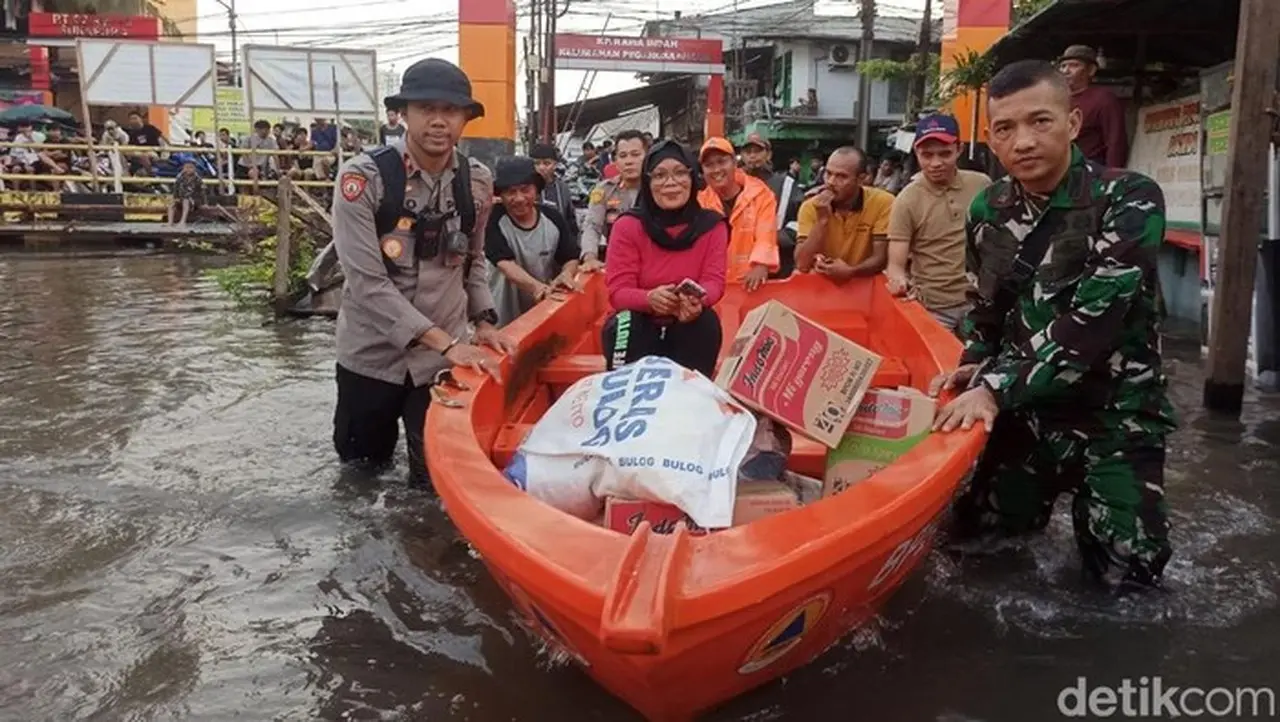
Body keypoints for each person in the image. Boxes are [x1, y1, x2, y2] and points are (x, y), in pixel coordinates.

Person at [932, 60, 1176, 593]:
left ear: (1072, 122)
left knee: (1129, 583)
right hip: (1026, 412)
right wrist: (973, 364)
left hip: (1114, 414)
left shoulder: (1129, 200)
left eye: (1040, 121)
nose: (1023, 141)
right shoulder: (988, 210)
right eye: (1005, 128)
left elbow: (1093, 321)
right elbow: (986, 307)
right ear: (990, 140)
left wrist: (994, 390)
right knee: (972, 552)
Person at [330, 57, 516, 484]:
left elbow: (472, 259)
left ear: (466, 118)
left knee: (432, 483)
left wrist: (484, 320)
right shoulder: (363, 180)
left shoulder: (478, 183)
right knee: (359, 479)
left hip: (437, 368)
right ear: (402, 115)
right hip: (371, 358)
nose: (438, 121)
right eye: (426, 109)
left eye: (450, 111)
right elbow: (366, 283)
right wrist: (448, 343)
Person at [603, 140, 729, 378]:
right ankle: (626, 399)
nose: (670, 183)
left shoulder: (712, 226)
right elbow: (618, 292)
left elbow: (714, 282)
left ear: (693, 178)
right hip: (640, 322)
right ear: (647, 182)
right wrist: (649, 298)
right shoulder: (628, 226)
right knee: (625, 323)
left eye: (680, 172)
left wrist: (697, 301)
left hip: (688, 320)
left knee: (706, 322)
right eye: (659, 175)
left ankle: (692, 401)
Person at [886, 114, 992, 330]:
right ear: (916, 152)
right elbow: (895, 264)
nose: (936, 163)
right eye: (927, 155)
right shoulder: (907, 199)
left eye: (945, 154)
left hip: (979, 302)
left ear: (959, 149)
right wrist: (899, 281)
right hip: (933, 309)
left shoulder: (982, 185)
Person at [485, 156, 582, 327]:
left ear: (536, 191)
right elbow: (505, 264)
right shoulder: (492, 220)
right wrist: (538, 288)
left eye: (525, 190)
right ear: (501, 195)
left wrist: (566, 274)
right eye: (510, 192)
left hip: (542, 312)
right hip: (501, 316)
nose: (519, 198)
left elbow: (570, 256)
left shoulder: (553, 218)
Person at [794, 147, 893, 283]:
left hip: (865, 285)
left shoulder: (883, 202)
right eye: (828, 173)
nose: (831, 182)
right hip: (822, 286)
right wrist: (822, 222)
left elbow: (881, 258)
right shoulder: (811, 206)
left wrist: (852, 271)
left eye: (842, 176)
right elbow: (802, 264)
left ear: (861, 179)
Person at [696, 136, 778, 291]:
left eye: (721, 162)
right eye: (709, 165)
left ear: (734, 162)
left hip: (750, 286)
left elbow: (766, 233)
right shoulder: (699, 202)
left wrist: (761, 264)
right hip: (712, 288)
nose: (716, 169)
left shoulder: (761, 195)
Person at [1057, 45, 1128, 168]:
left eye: (1074, 65)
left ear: (1091, 70)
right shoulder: (1056, 100)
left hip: (1089, 171)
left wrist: (1111, 176)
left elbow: (1115, 142)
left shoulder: (1103, 99)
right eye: (1063, 66)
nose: (1066, 71)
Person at [582, 130, 646, 265]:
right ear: (616, 161)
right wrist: (590, 257)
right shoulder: (603, 190)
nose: (629, 161)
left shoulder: (658, 188)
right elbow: (592, 226)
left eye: (635, 155)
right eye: (623, 156)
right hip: (617, 260)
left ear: (647, 156)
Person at [529, 142, 579, 239]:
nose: (541, 167)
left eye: (547, 163)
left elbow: (570, 219)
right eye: (537, 163)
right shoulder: (525, 188)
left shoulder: (563, 188)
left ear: (555, 165)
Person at [168, 159, 206, 226]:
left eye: (191, 167)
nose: (188, 169)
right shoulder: (179, 177)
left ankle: (183, 221)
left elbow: (202, 192)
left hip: (193, 200)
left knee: (186, 200)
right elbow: (175, 188)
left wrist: (204, 203)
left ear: (195, 169)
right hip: (181, 198)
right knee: (172, 202)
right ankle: (170, 222)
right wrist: (175, 197)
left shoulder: (198, 179)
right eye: (186, 167)